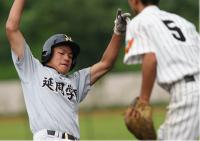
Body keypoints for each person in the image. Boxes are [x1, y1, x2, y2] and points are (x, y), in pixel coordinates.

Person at [6, 0, 130, 140]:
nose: (67, 58)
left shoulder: (76, 81)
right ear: (48, 53)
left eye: (70, 56)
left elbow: (106, 64)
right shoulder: (33, 70)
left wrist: (117, 33)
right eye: (62, 53)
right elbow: (11, 28)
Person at [124, 0, 200, 140]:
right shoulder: (183, 22)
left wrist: (143, 101)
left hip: (189, 93)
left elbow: (151, 58)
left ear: (135, 1)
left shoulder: (140, 21)